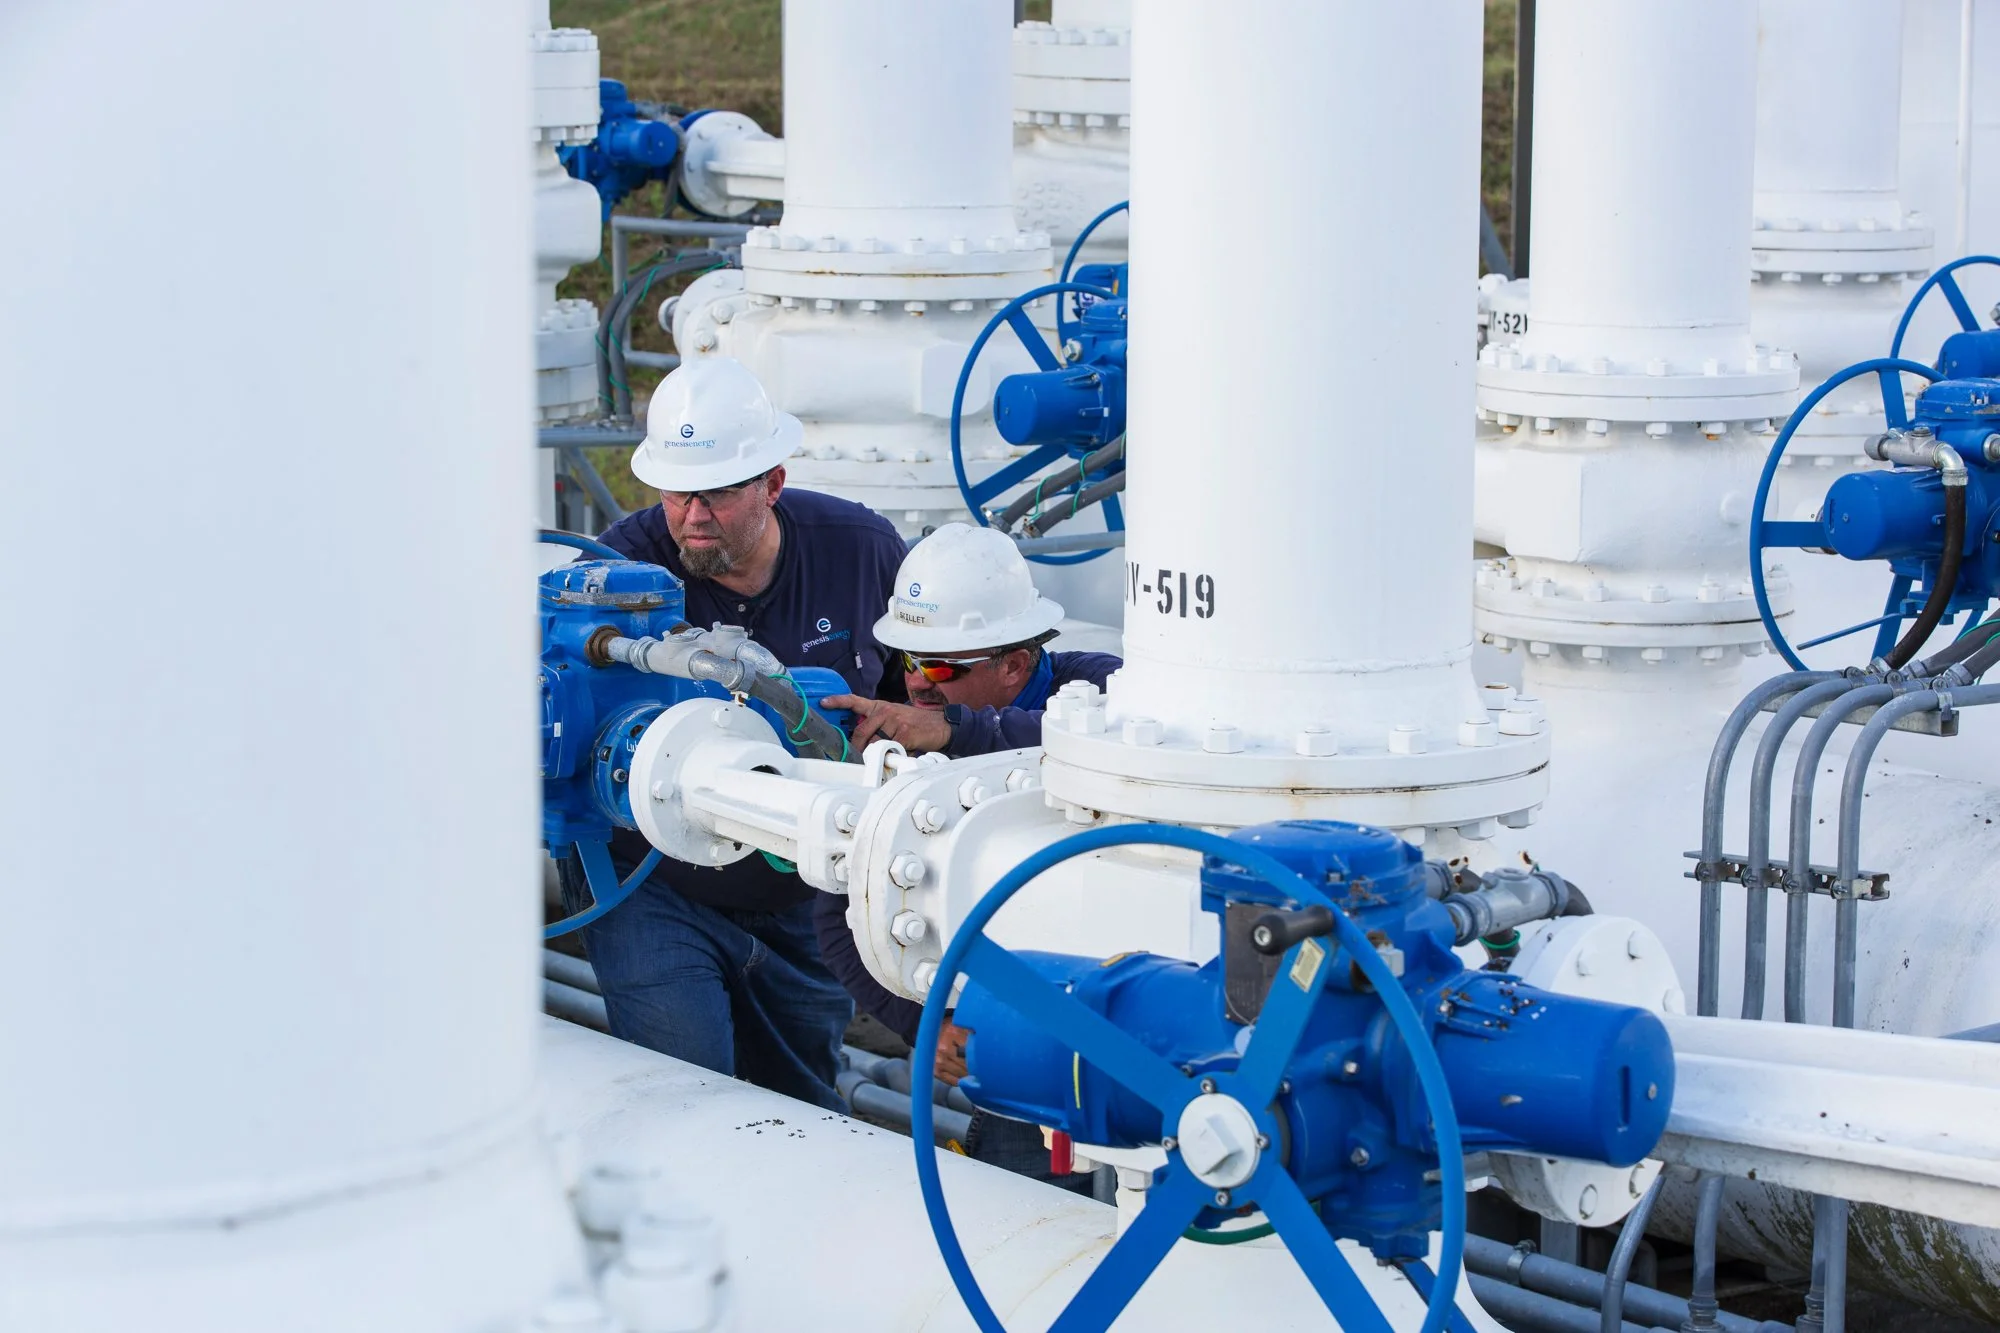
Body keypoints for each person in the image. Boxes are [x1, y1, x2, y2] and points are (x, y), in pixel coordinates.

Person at [564, 357, 907, 1113]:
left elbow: (912, 707)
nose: (692, 514)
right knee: (686, 1097)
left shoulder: (860, 553)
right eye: (678, 491)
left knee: (806, 1104)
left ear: (773, 483)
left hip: (802, 894)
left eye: (717, 492)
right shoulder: (620, 572)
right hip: (651, 882)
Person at [819, 523, 1121, 1184]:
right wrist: (933, 1021)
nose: (919, 685)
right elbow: (834, 909)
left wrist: (960, 732)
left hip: (1130, 1020)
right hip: (1013, 1044)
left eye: (943, 667)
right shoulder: (900, 740)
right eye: (908, 661)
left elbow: (1120, 739)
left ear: (1015, 663)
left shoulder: (1102, 689)